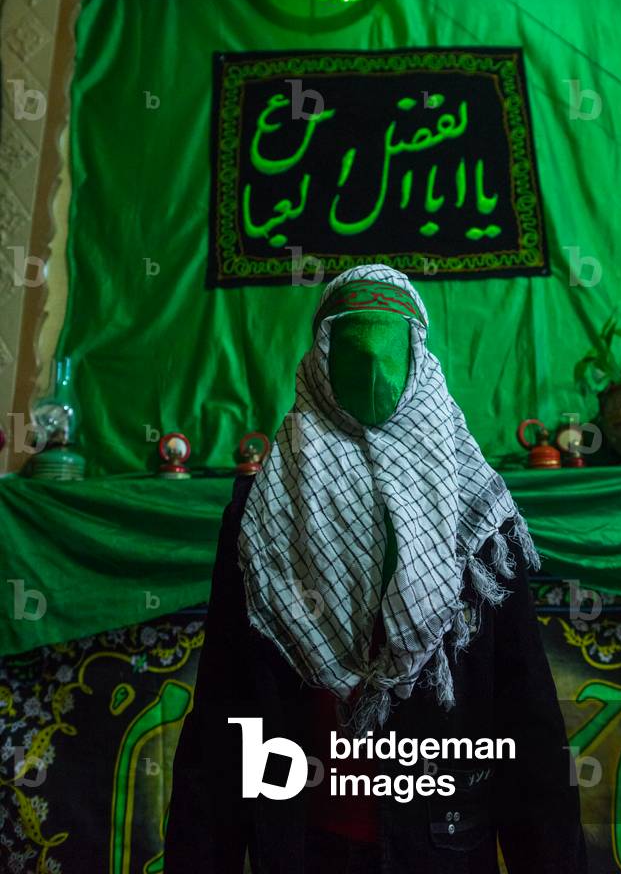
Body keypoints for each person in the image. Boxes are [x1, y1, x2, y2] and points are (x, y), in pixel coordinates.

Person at [165, 264, 587, 873]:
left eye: (389, 343)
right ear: (319, 357)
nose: (370, 363)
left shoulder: (473, 510)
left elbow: (526, 722)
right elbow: (223, 716)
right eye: (348, 341)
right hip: (303, 842)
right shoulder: (261, 512)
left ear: (420, 355)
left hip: (443, 844)